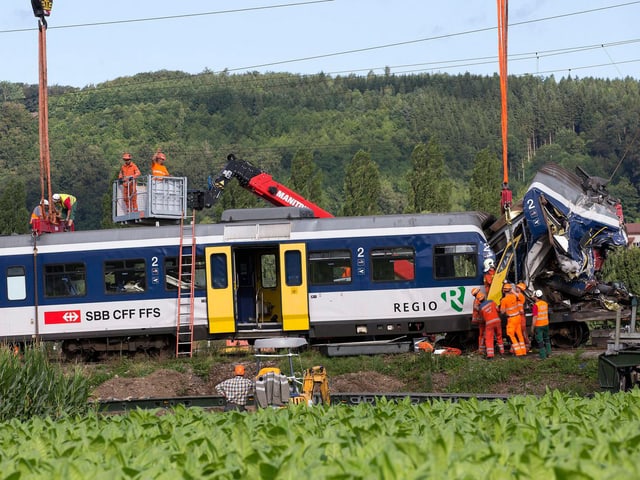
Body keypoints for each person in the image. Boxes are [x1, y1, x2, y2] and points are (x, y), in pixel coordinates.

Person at [499, 282, 526, 356]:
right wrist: (513, 292)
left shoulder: (504, 300)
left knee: (511, 335)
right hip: (518, 318)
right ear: (510, 290)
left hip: (511, 319)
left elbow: (502, 311)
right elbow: (521, 298)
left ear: (504, 291)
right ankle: (523, 351)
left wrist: (500, 309)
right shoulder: (515, 297)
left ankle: (518, 353)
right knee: (519, 335)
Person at [476, 291, 504, 359]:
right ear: (484, 297)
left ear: (479, 301)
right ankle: (502, 351)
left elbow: (482, 319)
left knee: (489, 338)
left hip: (489, 323)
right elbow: (498, 309)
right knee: (499, 336)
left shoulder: (481, 308)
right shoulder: (492, 302)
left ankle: (490, 355)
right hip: (497, 321)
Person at [531, 290, 552, 359]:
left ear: (536, 296)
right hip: (546, 324)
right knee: (547, 339)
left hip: (539, 326)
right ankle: (549, 354)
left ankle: (543, 356)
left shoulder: (535, 305)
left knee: (540, 341)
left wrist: (532, 328)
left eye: (534, 295)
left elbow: (535, 317)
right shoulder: (545, 303)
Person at [515, 282, 531, 352]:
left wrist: (510, 290)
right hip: (518, 317)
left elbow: (516, 295)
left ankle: (527, 346)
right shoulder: (518, 296)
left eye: (517, 287)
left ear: (520, 289)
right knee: (520, 333)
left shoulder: (521, 296)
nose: (516, 288)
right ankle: (524, 346)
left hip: (521, 317)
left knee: (523, 332)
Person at [471, 287, 486, 355]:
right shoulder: (479, 298)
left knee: (481, 334)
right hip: (481, 319)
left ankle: (481, 349)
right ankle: (482, 349)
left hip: (479, 319)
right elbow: (477, 307)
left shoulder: (476, 299)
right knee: (483, 334)